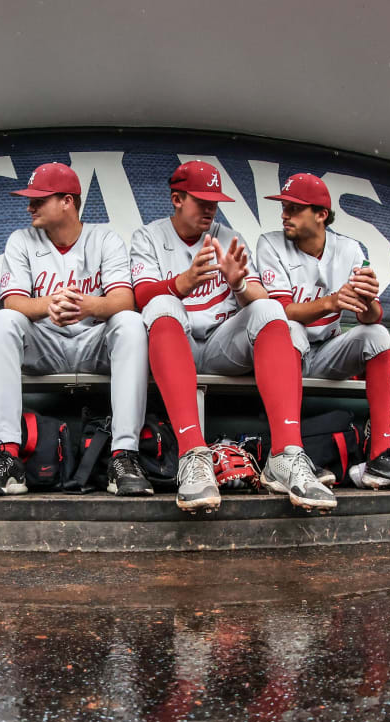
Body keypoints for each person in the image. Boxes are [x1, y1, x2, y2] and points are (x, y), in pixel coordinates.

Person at [130, 161, 335, 512]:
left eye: (215, 201)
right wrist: (184, 283)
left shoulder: (228, 238)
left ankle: (286, 455)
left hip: (220, 346)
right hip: (171, 345)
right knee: (163, 303)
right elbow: (140, 296)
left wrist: (239, 283)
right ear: (177, 198)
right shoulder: (148, 236)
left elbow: (258, 296)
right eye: (201, 200)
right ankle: (193, 455)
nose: (211, 208)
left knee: (271, 311)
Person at [0, 162, 151, 497]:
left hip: (94, 342)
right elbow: (14, 303)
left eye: (39, 199)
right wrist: (50, 304)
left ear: (67, 201)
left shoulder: (104, 239)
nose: (30, 206)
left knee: (131, 322)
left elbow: (124, 299)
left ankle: (125, 456)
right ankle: (6, 456)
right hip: (45, 343)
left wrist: (86, 305)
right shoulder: (21, 240)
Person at [256, 173, 390, 491]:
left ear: (321, 214)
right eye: (284, 207)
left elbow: (372, 317)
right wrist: (333, 301)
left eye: (294, 209)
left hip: (324, 353)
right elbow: (279, 310)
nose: (285, 214)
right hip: (284, 353)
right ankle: (290, 454)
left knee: (377, 334)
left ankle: (379, 457)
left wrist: (367, 302)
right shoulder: (270, 243)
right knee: (290, 327)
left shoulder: (349, 249)